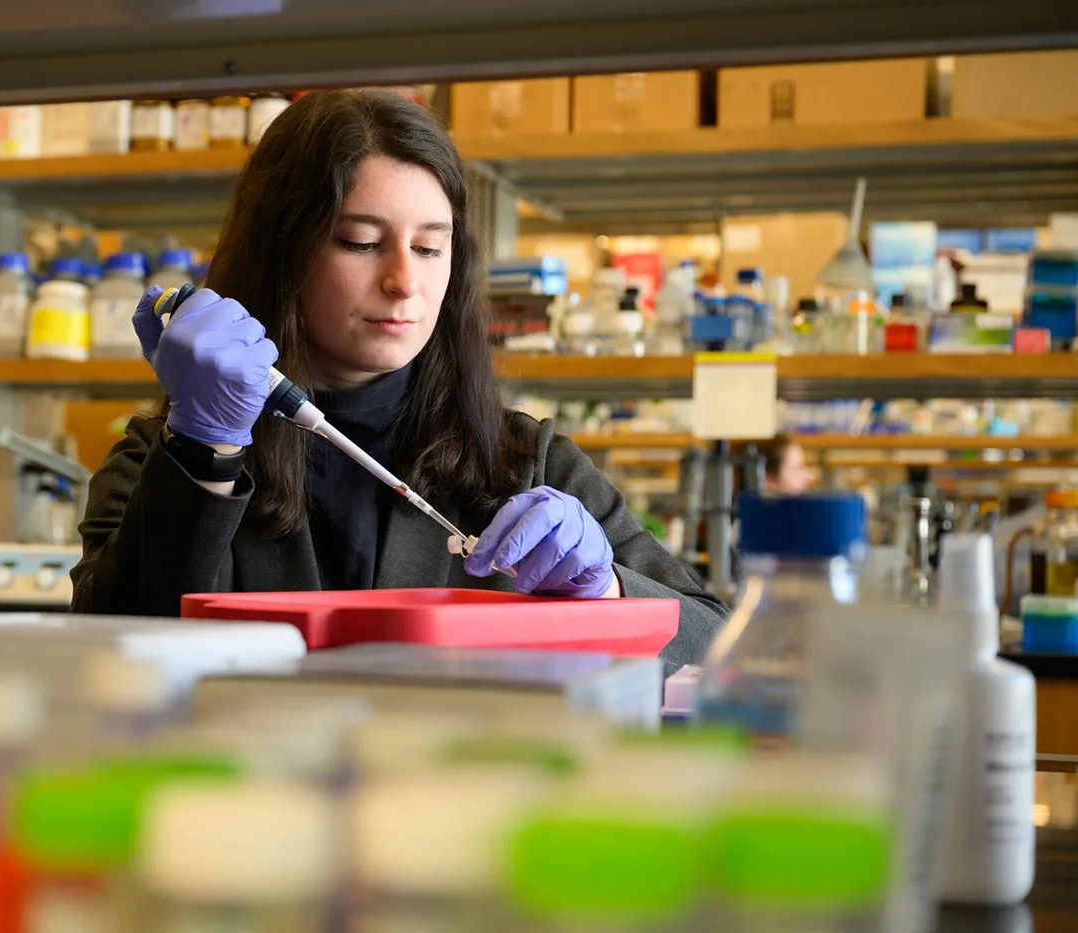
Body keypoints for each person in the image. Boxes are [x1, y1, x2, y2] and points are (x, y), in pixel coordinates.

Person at [71, 89, 729, 671]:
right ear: (280, 250)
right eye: (361, 241)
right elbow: (109, 657)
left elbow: (716, 639)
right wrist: (202, 452)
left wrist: (607, 592)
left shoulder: (526, 462)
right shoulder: (167, 458)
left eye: (428, 247)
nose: (404, 282)